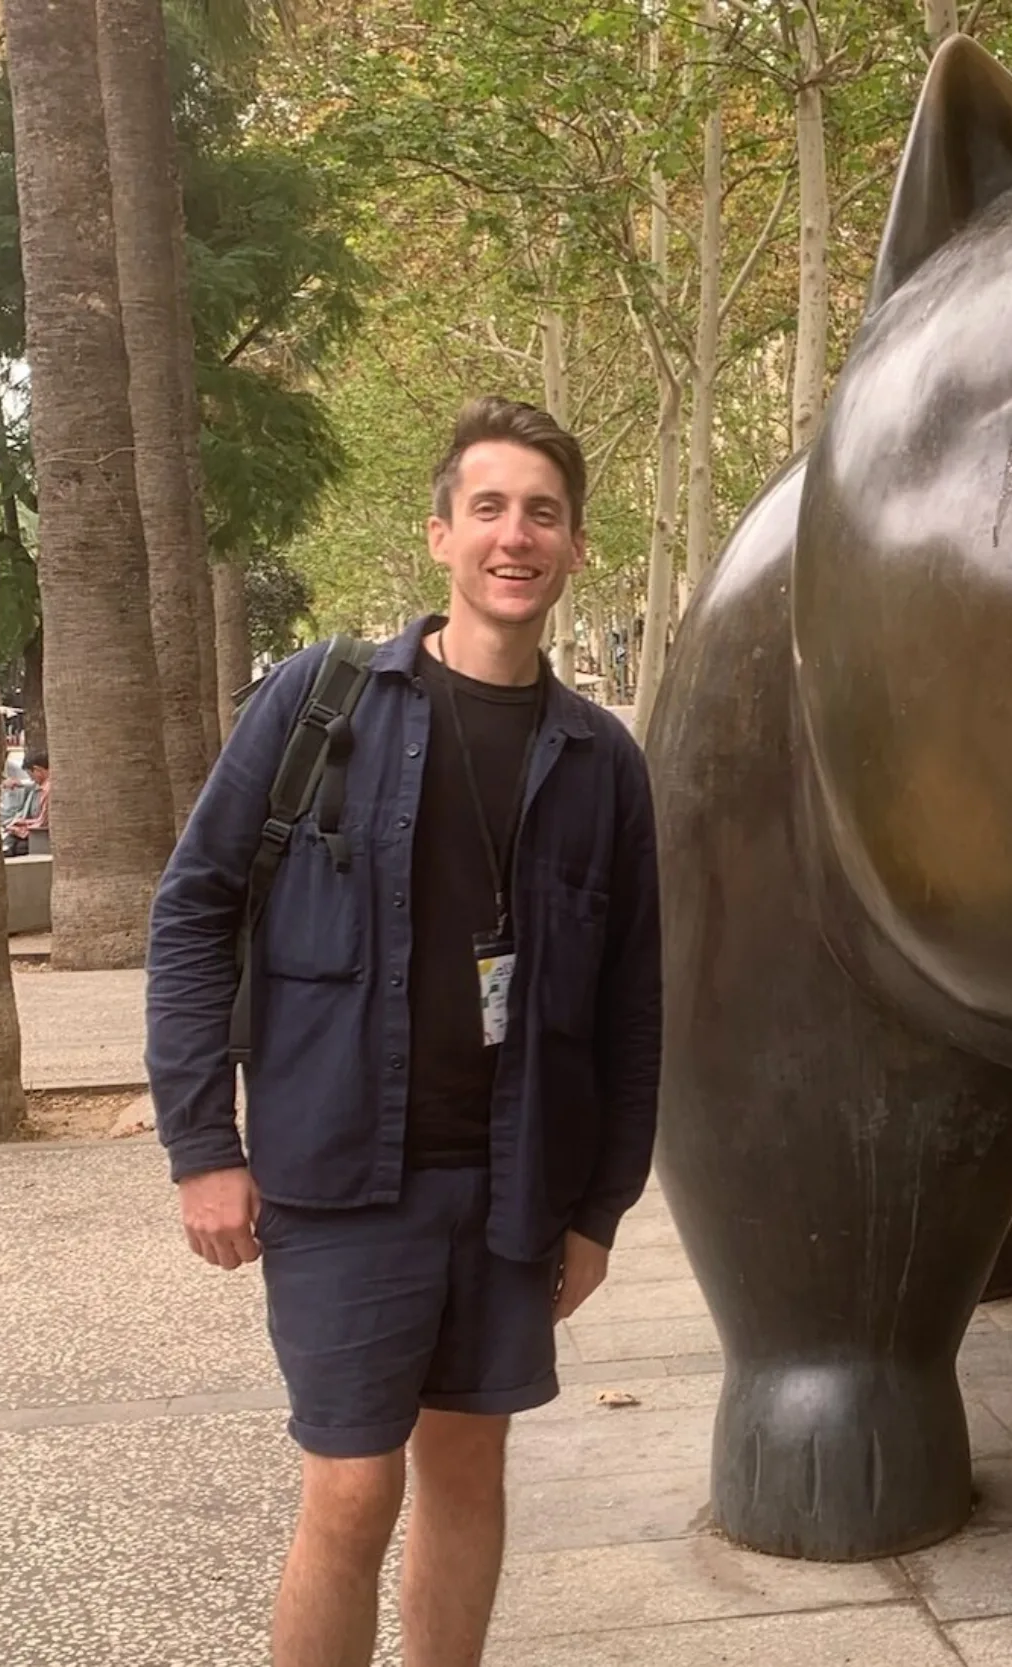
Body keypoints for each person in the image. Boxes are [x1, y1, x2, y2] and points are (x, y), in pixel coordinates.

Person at [144, 396, 662, 1667]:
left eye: (541, 512)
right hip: (340, 1175)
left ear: (574, 547)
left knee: (468, 1467)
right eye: (488, 507)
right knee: (351, 1486)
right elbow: (194, 908)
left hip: (509, 1185)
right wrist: (203, 1145)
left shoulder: (600, 760)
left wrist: (598, 1208)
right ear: (440, 534)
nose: (514, 535)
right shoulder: (321, 704)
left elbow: (631, 1002)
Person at [4, 751, 50, 856]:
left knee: (18, 846)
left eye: (31, 775)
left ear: (37, 770)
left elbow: (42, 822)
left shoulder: (47, 790)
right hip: (33, 829)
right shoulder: (38, 787)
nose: (31, 779)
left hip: (40, 835)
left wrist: (21, 826)